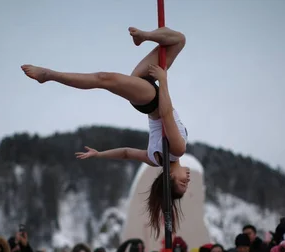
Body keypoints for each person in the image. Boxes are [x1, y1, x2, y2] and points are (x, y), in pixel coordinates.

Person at [21, 26, 190, 238]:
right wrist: (100, 154)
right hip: (150, 94)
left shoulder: (177, 149)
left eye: (183, 182)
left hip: (151, 98)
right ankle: (144, 37)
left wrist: (163, 81)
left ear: (170, 177)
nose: (188, 178)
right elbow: (127, 153)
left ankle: (49, 75)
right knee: (178, 40)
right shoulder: (155, 159)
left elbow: (165, 114)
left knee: (103, 79)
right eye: (187, 182)